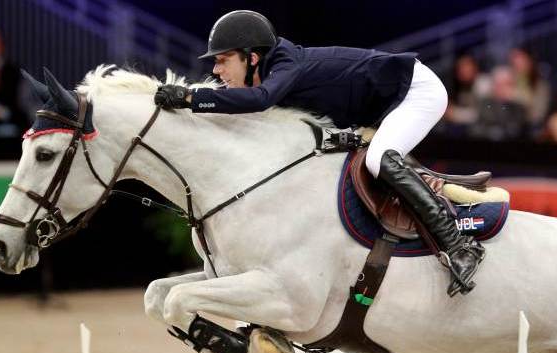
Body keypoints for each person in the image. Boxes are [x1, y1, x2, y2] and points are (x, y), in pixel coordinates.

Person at [153, 10, 484, 296]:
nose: (217, 71)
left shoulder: (284, 66)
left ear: (252, 57)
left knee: (378, 159)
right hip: (382, 106)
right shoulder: (270, 70)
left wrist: (190, 98)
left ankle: (459, 245)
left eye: (223, 60)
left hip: (417, 92)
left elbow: (257, 102)